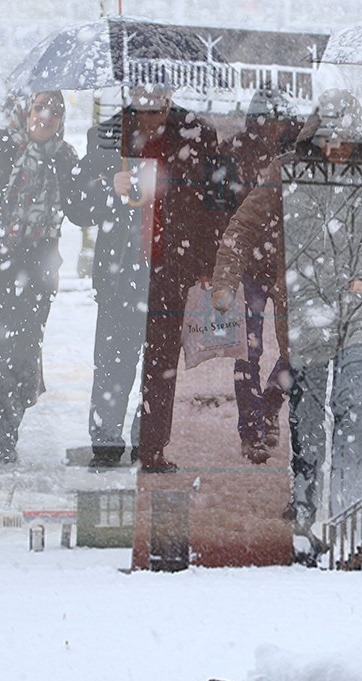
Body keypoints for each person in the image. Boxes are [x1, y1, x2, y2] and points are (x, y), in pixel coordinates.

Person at [216, 89, 362, 557]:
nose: (334, 146)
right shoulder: (288, 169)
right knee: (306, 416)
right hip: (304, 309)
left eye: (342, 137)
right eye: (327, 136)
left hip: (360, 307)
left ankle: (347, 511)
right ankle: (304, 511)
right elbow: (244, 225)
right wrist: (225, 279)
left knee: (351, 407)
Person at [65, 86, 223, 473]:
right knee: (113, 361)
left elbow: (214, 204)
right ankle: (105, 444)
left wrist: (207, 265)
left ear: (170, 93)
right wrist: (107, 190)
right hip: (122, 271)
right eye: (144, 105)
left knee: (161, 363)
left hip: (171, 269)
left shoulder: (197, 133)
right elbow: (77, 207)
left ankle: (150, 445)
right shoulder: (106, 135)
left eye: (159, 105)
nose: (152, 115)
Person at [0, 91, 79, 468]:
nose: (46, 117)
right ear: (24, 110)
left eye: (55, 112)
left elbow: (82, 209)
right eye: (39, 107)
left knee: (21, 361)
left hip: (35, 277)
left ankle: (5, 439)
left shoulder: (64, 158)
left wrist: (115, 182)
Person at [212, 88, 298, 464]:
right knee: (247, 351)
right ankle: (251, 429)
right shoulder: (232, 153)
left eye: (280, 120)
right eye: (268, 119)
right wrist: (219, 269)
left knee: (294, 351)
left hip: (288, 265)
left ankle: (270, 404)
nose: (273, 127)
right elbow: (219, 211)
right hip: (247, 265)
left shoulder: (297, 159)